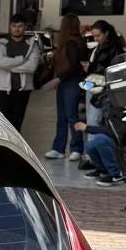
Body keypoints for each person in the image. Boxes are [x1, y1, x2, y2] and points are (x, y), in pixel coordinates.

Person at [43, 12, 89, 160]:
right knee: (65, 116)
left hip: (69, 82)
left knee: (70, 116)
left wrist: (58, 79)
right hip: (69, 81)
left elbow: (73, 66)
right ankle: (60, 148)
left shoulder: (71, 43)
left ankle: (75, 148)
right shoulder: (78, 41)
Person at [0, 14, 41, 131]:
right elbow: (1, 62)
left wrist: (9, 66)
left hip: (22, 90)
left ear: (25, 27)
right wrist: (21, 60)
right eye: (14, 26)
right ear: (10, 26)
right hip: (2, 89)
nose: (16, 29)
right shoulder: (1, 43)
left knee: (17, 122)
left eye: (20, 26)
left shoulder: (31, 45)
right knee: (2, 122)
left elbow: (32, 67)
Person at [73, 94, 125, 186]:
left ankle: (115, 174)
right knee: (89, 146)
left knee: (100, 141)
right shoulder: (107, 110)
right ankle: (103, 169)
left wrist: (87, 128)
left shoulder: (118, 108)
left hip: (122, 143)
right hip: (114, 139)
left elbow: (113, 131)